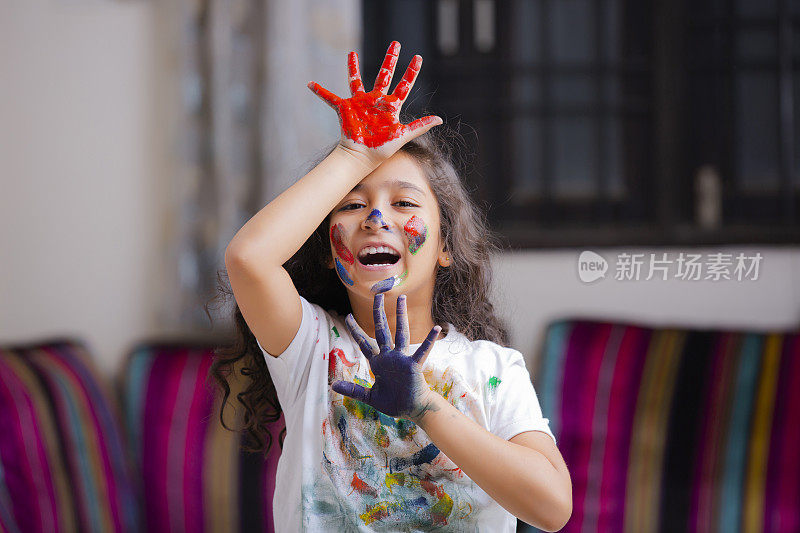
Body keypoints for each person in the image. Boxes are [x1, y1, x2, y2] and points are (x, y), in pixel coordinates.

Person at [219, 41, 572, 532]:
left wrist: (424, 406)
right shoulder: (312, 348)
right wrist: (352, 154)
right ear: (326, 247)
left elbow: (552, 508)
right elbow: (248, 258)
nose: (376, 218)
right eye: (351, 204)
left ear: (446, 246)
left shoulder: (491, 369)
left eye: (405, 203)